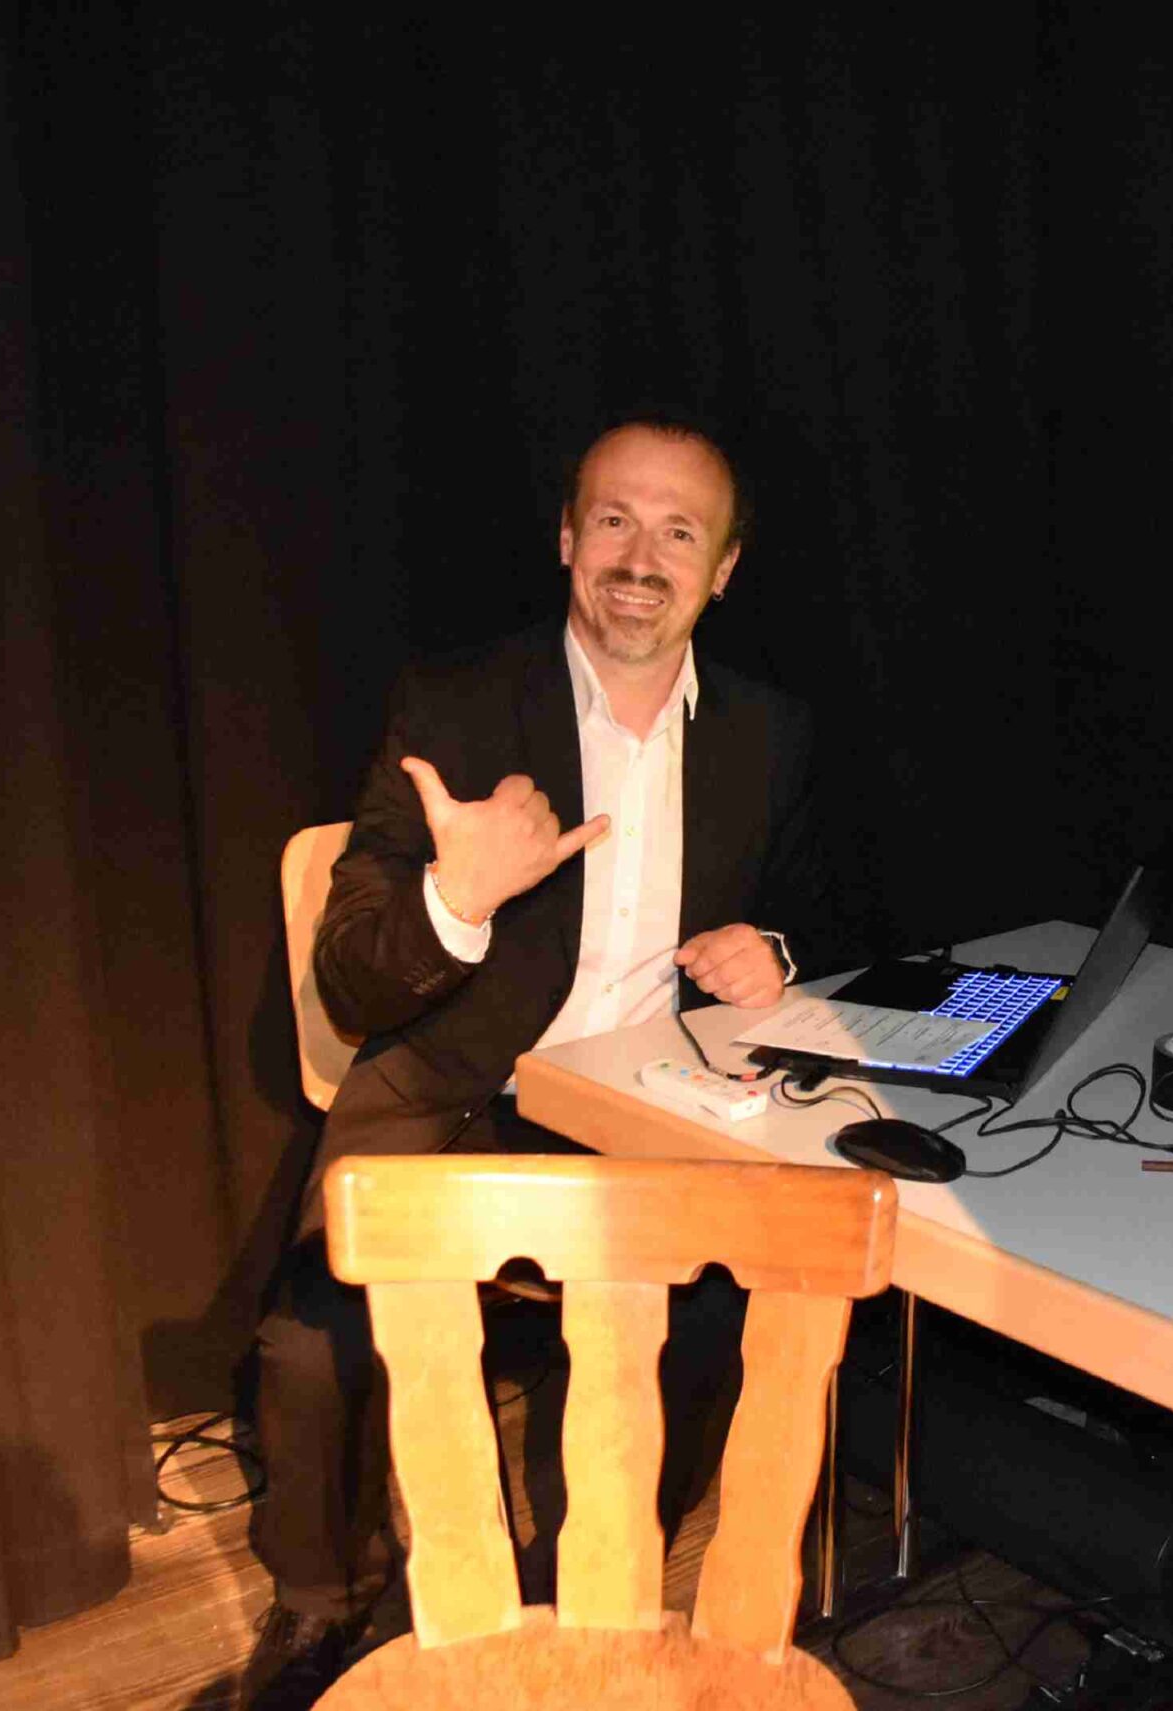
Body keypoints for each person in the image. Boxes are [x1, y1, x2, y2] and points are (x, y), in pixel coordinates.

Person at [237, 416, 840, 1710]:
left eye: (679, 531)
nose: (641, 557)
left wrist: (776, 949)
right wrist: (455, 896)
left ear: (724, 569)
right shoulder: (455, 704)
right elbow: (350, 978)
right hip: (456, 1082)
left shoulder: (769, 728)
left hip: (646, 1103)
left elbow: (821, 901)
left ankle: (587, 1590)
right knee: (312, 1333)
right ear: (568, 538)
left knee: (710, 1315)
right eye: (614, 519)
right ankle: (318, 1599)